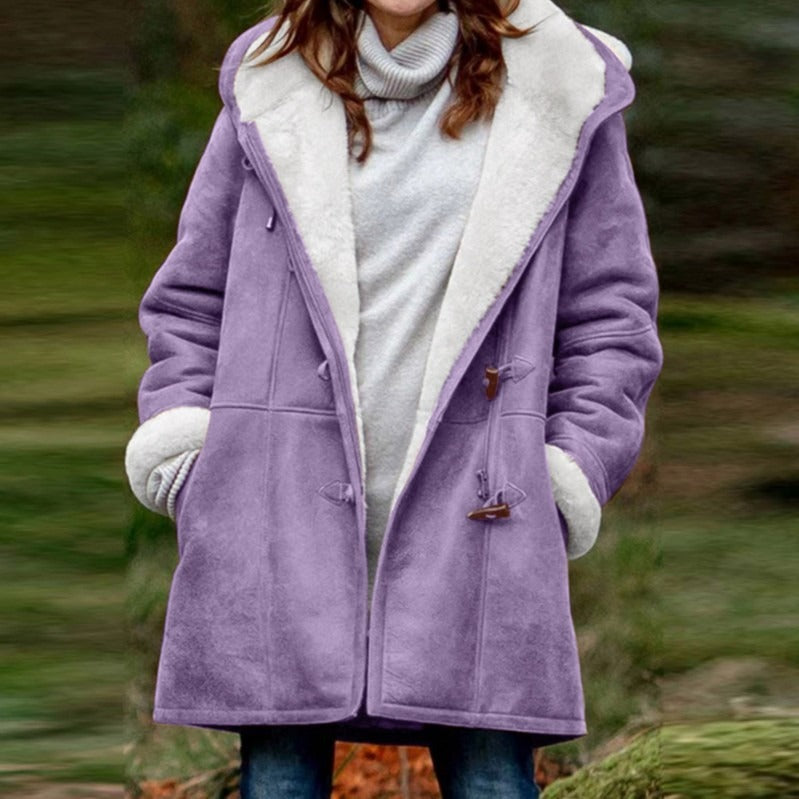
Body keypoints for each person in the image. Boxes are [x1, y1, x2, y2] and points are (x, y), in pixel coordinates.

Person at [124, 0, 663, 796]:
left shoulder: (561, 82)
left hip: (484, 513)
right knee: (279, 778)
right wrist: (186, 450)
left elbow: (610, 320)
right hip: (273, 507)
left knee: (491, 776)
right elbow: (190, 298)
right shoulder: (269, 76)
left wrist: (564, 472)